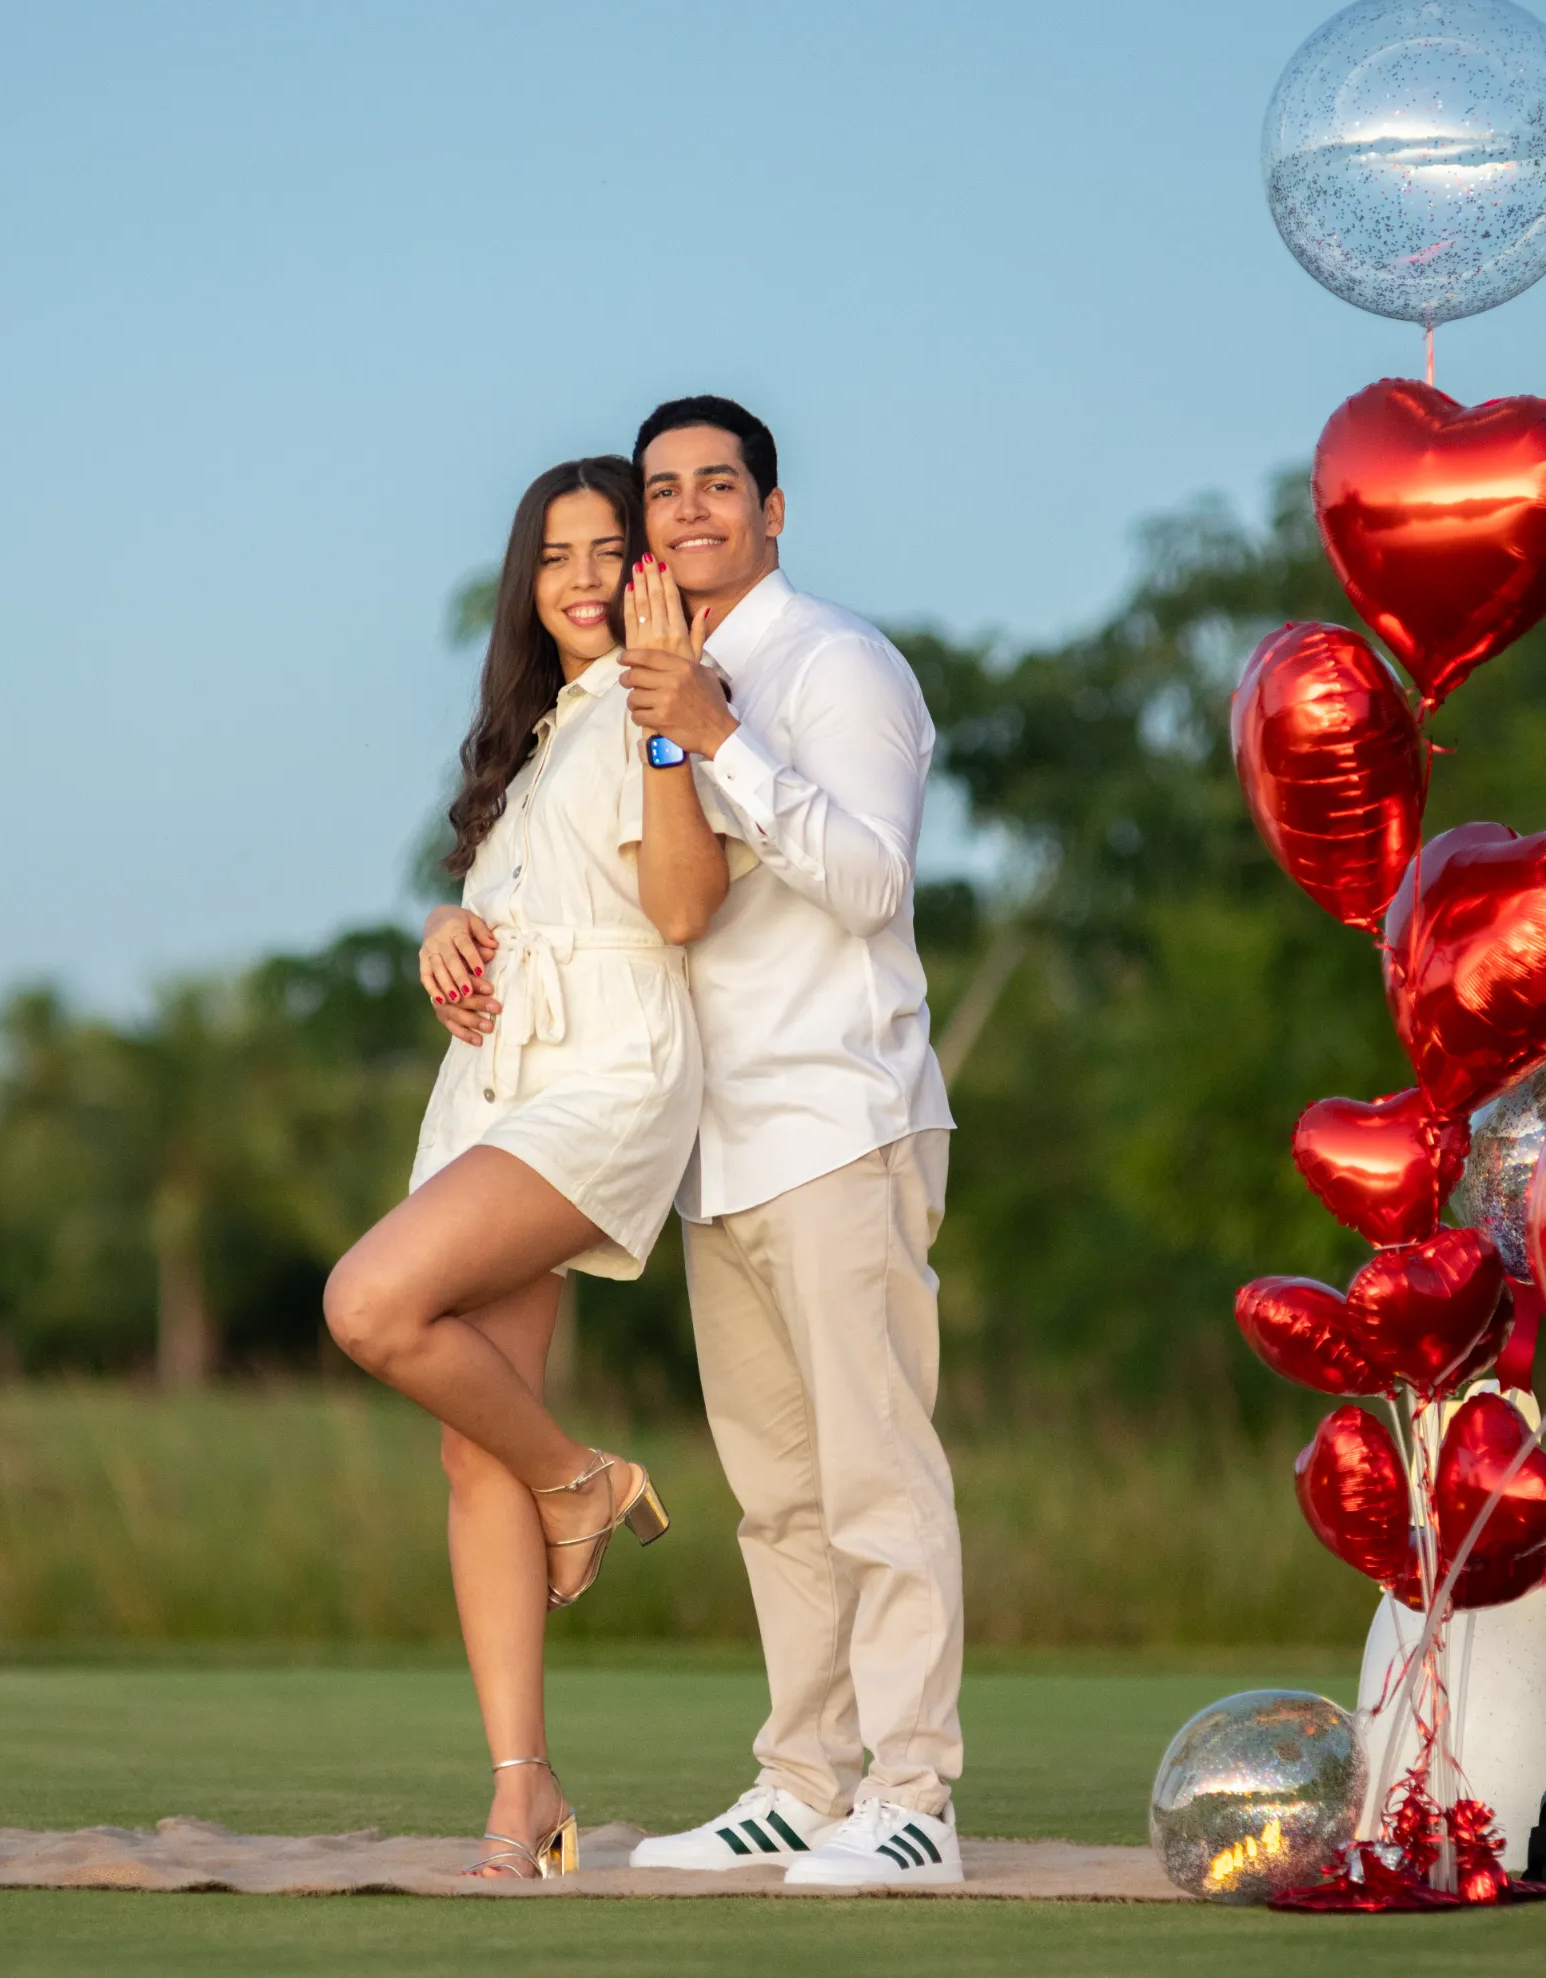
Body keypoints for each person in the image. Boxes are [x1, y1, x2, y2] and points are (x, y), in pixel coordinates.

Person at [323, 455, 747, 1880]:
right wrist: (448, 933)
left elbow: (683, 908)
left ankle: (581, 1481)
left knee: (369, 1303)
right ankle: (525, 1795)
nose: (579, 575)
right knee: (467, 1445)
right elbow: (528, 908)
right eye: (554, 553)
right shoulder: (531, 731)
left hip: (610, 1074)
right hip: (493, 1084)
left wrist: (678, 729)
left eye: (607, 547)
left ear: (648, 569)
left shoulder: (659, 701)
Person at [621, 397, 965, 1888]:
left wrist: (718, 737)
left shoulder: (834, 662)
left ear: (771, 511)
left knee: (878, 1473)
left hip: (844, 1119)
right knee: (778, 1496)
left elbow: (872, 881)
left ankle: (915, 1800)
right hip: (721, 1146)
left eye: (718, 484)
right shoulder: (658, 679)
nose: (689, 509)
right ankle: (803, 1780)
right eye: (663, 491)